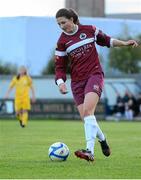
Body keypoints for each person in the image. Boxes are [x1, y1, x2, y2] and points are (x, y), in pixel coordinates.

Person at [54, 8, 138, 161]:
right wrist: (61, 83)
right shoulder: (61, 42)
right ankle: (103, 140)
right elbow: (59, 67)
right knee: (87, 117)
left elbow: (107, 40)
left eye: (63, 22)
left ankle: (89, 151)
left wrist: (124, 43)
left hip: (94, 75)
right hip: (77, 82)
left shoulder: (90, 30)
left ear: (72, 19)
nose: (61, 26)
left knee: (88, 112)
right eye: (59, 24)